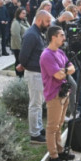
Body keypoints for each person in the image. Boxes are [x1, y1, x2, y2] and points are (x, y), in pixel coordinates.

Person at [39, 26, 76, 161]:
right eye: (61, 35)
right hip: (54, 94)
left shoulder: (60, 52)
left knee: (60, 124)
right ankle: (53, 156)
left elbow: (72, 69)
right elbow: (58, 75)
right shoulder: (46, 55)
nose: (64, 38)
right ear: (53, 37)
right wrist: (65, 71)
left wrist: (64, 70)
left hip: (64, 92)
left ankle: (60, 151)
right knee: (52, 127)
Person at [18, 10, 51, 144]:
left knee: (39, 103)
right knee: (35, 104)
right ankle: (35, 134)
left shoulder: (38, 33)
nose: (49, 24)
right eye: (47, 21)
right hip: (34, 73)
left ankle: (39, 127)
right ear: (39, 20)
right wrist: (25, 65)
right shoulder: (31, 34)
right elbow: (23, 56)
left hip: (39, 73)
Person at [11, 8, 29, 78]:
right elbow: (16, 35)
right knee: (19, 61)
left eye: (25, 13)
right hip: (18, 46)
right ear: (18, 13)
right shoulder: (16, 22)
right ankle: (19, 77)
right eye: (23, 13)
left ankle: (23, 76)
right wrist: (20, 47)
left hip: (25, 45)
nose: (24, 15)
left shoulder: (25, 21)